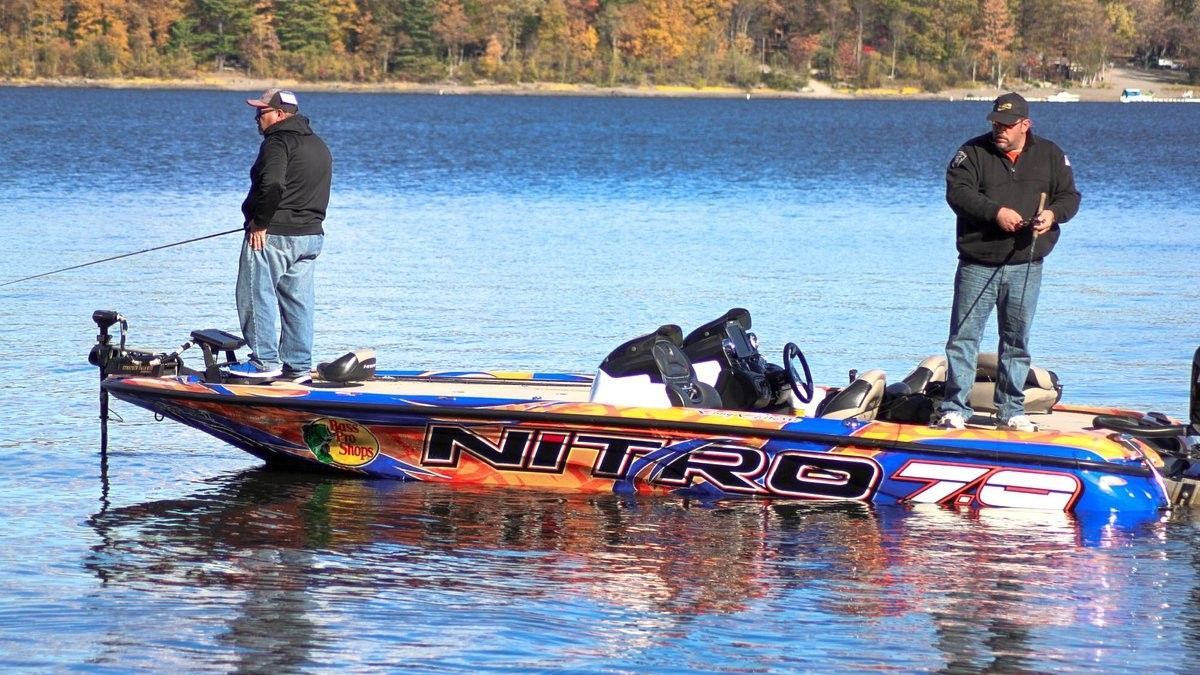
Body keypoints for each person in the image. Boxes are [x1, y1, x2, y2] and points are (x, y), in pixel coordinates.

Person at [933, 92, 1081, 431]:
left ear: (1025, 125)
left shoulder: (1051, 155)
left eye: (1007, 125)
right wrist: (995, 212)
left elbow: (1070, 197)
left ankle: (1011, 409)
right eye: (996, 123)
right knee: (963, 337)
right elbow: (958, 193)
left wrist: (1052, 215)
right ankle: (955, 407)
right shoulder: (971, 152)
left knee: (1016, 339)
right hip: (977, 262)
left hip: (1026, 263)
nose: (1000, 129)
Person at [225, 89, 332, 382]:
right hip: (310, 236)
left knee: (254, 294)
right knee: (299, 302)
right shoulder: (318, 144)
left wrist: (259, 223)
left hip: (273, 235)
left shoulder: (277, 142)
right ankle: (298, 367)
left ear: (280, 115)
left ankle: (264, 363)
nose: (256, 119)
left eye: (261, 113)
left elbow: (272, 185)